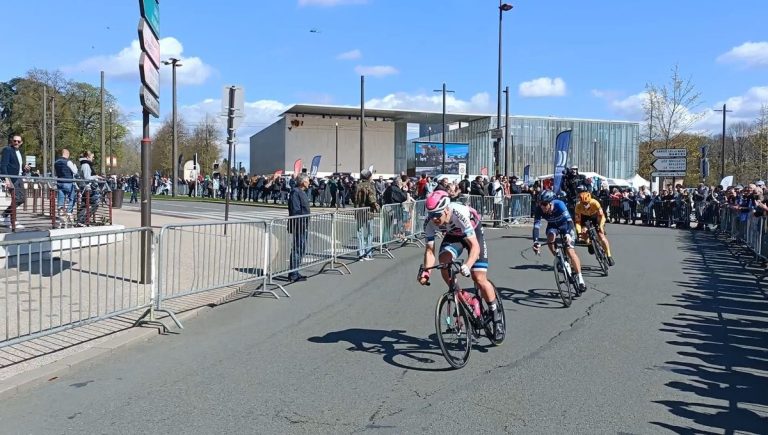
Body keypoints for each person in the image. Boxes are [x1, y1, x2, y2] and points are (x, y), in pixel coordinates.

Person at [417, 190, 505, 341]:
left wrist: (467, 264)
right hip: (453, 236)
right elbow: (430, 251)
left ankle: (496, 317)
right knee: (443, 262)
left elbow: (475, 247)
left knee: (478, 277)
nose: (434, 219)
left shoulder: (459, 213)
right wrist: (426, 272)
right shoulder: (429, 223)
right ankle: (460, 295)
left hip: (473, 234)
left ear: (446, 210)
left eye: (437, 215)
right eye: (431, 215)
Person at [532, 190, 587, 292]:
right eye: (540, 204)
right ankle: (560, 259)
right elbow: (536, 227)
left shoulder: (559, 204)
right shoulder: (539, 209)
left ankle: (580, 280)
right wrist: (535, 242)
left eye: (544, 204)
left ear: (551, 203)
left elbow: (570, 221)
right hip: (553, 226)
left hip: (565, 226)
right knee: (550, 238)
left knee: (570, 251)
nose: (542, 206)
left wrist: (567, 233)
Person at [574, 186, 615, 266]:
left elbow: (602, 217)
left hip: (595, 216)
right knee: (584, 231)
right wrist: (579, 232)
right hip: (584, 218)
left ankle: (609, 256)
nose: (585, 205)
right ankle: (589, 244)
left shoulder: (595, 202)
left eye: (586, 203)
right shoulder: (578, 206)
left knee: (602, 237)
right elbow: (578, 222)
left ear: (589, 200)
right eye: (583, 203)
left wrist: (601, 226)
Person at [0, 134, 31, 228]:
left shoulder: (20, 152)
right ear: (11, 141)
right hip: (12, 178)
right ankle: (13, 220)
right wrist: (6, 179)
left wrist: (25, 168)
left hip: (19, 177)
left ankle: (5, 216)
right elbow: (3, 165)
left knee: (21, 199)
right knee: (16, 198)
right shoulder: (7, 150)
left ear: (21, 142)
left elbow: (17, 165)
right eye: (15, 141)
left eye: (18, 141)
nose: (16, 143)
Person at [287, 174, 311, 282]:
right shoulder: (295, 192)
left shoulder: (302, 192)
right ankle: (293, 274)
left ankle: (296, 271)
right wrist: (301, 221)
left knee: (302, 248)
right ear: (303, 182)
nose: (309, 183)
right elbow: (295, 210)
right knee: (297, 248)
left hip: (304, 225)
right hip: (298, 225)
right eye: (307, 181)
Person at [354, 169, 379, 260]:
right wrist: (376, 207)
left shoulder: (357, 186)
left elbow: (354, 198)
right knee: (369, 233)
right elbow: (372, 199)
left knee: (359, 233)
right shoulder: (370, 185)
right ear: (369, 176)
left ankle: (361, 253)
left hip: (359, 211)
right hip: (368, 212)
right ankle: (368, 253)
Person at [76, 151, 103, 226]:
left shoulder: (84, 164)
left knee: (85, 204)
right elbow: (87, 178)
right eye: (92, 157)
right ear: (87, 157)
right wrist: (96, 177)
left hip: (86, 187)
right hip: (88, 187)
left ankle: (80, 221)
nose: (93, 158)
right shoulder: (86, 165)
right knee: (95, 203)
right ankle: (84, 220)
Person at [54, 148, 78, 223]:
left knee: (61, 197)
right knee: (72, 198)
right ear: (67, 154)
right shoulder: (68, 162)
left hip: (59, 182)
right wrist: (75, 166)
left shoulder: (56, 162)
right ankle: (68, 211)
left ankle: (60, 212)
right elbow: (75, 171)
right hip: (68, 182)